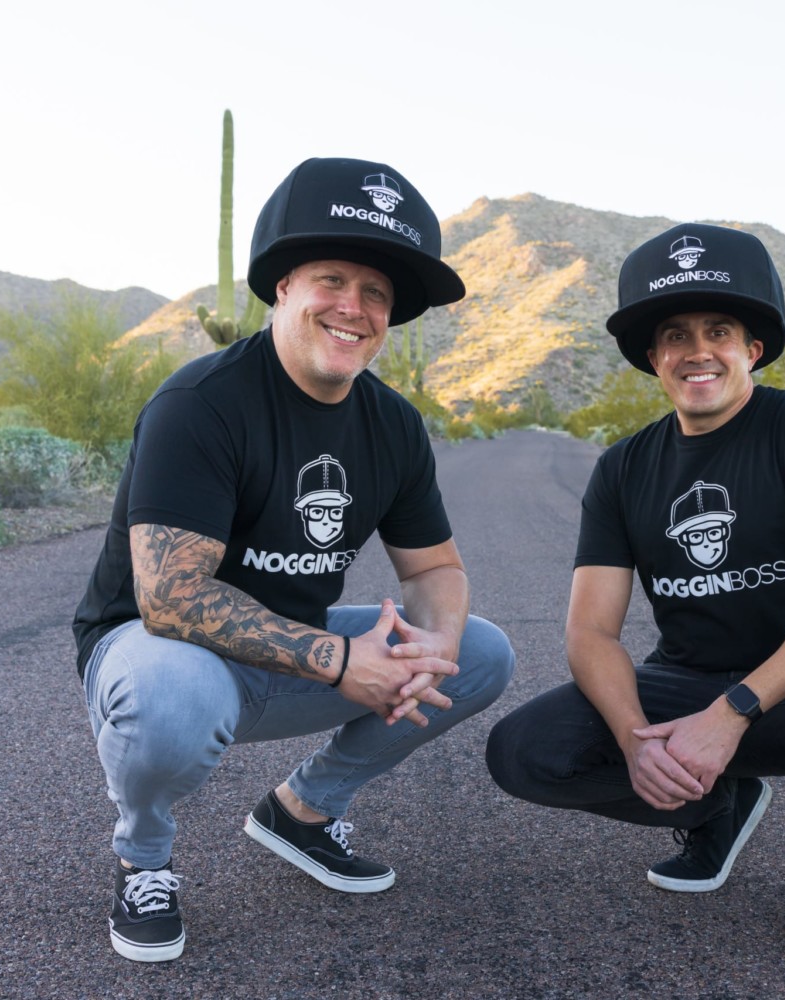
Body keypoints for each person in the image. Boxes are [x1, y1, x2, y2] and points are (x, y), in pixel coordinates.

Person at [73, 157, 514, 963]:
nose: (353, 307)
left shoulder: (393, 424)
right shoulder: (201, 404)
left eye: (375, 292)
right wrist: (342, 661)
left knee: (482, 652)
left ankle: (303, 810)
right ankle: (144, 860)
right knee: (173, 692)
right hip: (159, 654)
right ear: (282, 286)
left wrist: (434, 649)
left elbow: (434, 571)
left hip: (288, 654)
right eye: (331, 280)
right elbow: (170, 598)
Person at [485, 223, 785, 979]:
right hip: (686, 684)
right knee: (523, 751)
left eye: (719, 331)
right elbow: (591, 632)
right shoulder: (623, 468)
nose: (697, 350)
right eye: (675, 335)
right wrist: (636, 741)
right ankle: (711, 807)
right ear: (654, 358)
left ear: (752, 349)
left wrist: (730, 715)